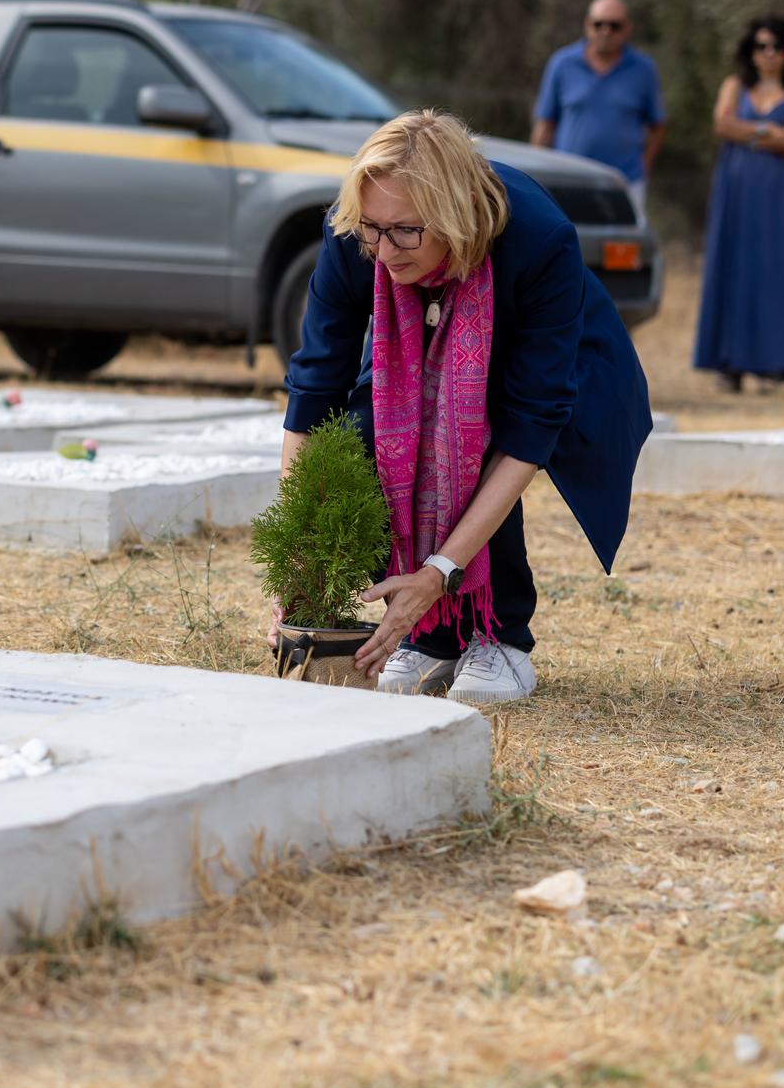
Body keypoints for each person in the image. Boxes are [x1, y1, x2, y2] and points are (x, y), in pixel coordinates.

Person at [275, 110, 652, 703]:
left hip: (549, 358)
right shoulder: (360, 233)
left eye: (404, 231)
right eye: (372, 229)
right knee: (372, 429)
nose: (383, 249)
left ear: (452, 214)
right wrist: (298, 548)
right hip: (420, 344)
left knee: (471, 434)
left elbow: (529, 428)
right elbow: (314, 386)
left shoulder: (537, 237)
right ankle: (433, 635)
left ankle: (500, 634)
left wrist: (441, 571)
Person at [693, 16, 784, 390]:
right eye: (762, 46)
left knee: (777, 268)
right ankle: (729, 363)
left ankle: (775, 365)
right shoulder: (735, 86)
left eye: (778, 47)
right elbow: (721, 125)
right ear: (751, 51)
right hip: (737, 189)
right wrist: (767, 132)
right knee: (734, 265)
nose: (770, 54)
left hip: (781, 193)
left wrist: (745, 131)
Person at [531, 0, 667, 219]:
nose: (605, 31)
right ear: (587, 26)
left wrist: (643, 167)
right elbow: (546, 125)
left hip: (625, 184)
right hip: (567, 182)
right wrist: (535, 177)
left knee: (623, 250)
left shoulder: (643, 69)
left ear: (627, 29)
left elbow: (657, 126)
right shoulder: (562, 64)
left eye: (614, 25)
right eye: (598, 24)